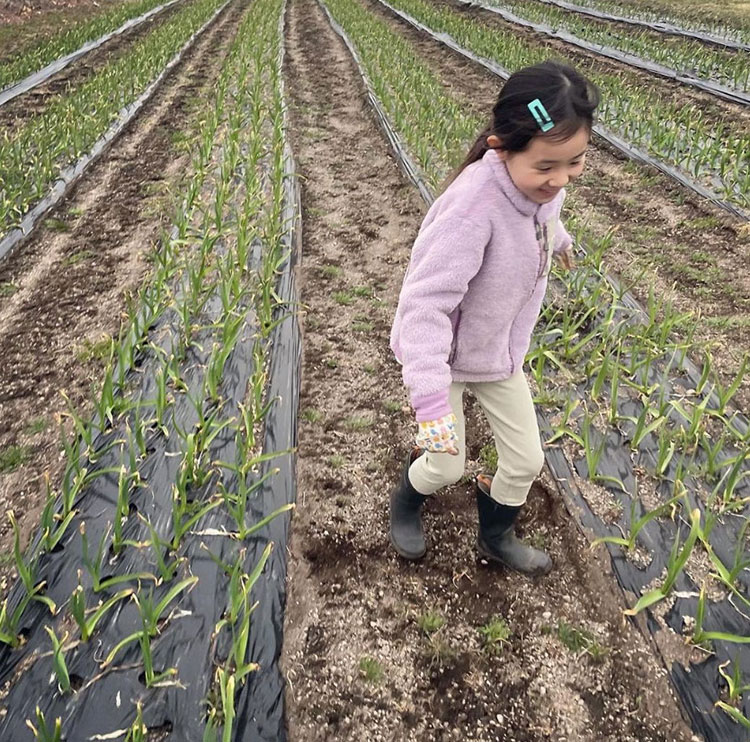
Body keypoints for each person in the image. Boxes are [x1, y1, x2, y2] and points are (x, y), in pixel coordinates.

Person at [389, 60, 600, 575]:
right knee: (445, 463)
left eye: (574, 162)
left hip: (499, 356)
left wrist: (561, 240)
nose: (561, 178)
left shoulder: (541, 187)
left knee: (527, 460)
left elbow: (547, 214)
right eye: (548, 166)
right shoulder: (471, 210)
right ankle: (407, 499)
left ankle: (496, 532)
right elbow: (423, 306)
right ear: (500, 147)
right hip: (449, 362)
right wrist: (432, 402)